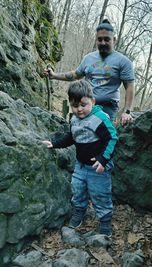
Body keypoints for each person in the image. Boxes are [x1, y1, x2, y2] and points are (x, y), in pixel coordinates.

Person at [42, 80, 118, 237]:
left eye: (84, 105)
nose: (79, 109)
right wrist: (54, 144)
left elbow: (112, 138)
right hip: (80, 166)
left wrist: (103, 159)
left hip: (99, 168)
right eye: (75, 106)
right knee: (77, 190)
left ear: (93, 101)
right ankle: (79, 212)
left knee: (100, 194)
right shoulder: (74, 119)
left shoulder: (99, 118)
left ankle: (105, 221)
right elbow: (72, 137)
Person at [44, 19, 135, 124]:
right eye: (99, 39)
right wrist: (54, 75)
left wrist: (127, 111)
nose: (103, 43)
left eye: (107, 39)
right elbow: (75, 75)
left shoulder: (123, 62)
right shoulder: (88, 58)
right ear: (96, 40)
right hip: (86, 104)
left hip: (108, 106)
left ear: (114, 40)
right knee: (77, 131)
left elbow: (129, 86)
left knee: (102, 134)